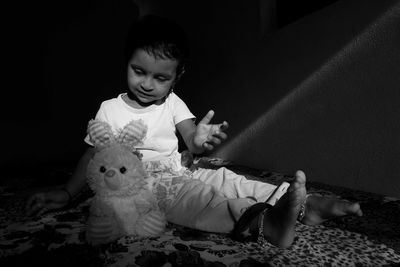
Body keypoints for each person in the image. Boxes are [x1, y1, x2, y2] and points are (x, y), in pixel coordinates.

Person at [26, 15, 362, 248]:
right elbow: (92, 154)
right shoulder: (109, 109)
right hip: (144, 184)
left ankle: (306, 206)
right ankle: (266, 224)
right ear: (125, 61)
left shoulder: (172, 103)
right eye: (138, 71)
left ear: (177, 76)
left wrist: (197, 140)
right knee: (202, 200)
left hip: (181, 168)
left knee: (229, 179)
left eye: (161, 78)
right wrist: (69, 193)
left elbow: (190, 137)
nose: (147, 84)